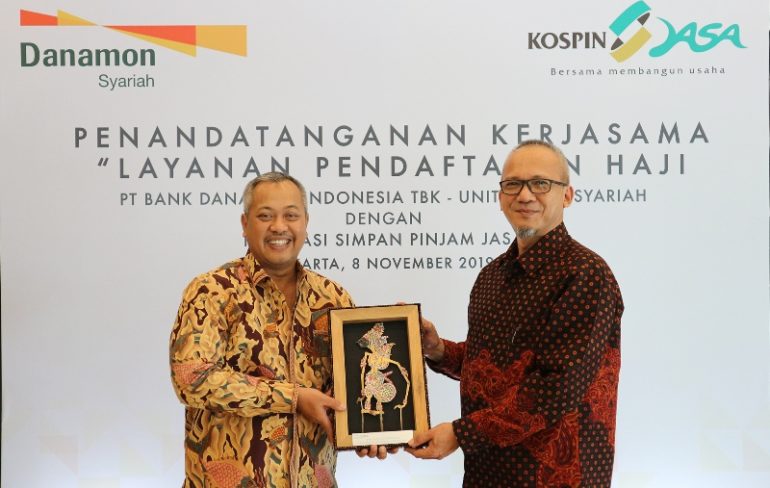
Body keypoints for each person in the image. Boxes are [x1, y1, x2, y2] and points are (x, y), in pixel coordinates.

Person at [406, 140, 624, 487]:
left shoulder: (585, 274)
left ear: (567, 195)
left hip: (555, 479)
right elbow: (495, 368)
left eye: (540, 183)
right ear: (500, 196)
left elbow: (557, 386)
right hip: (487, 474)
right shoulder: (491, 276)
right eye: (513, 184)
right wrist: (438, 350)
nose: (524, 195)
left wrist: (461, 434)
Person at [170, 172, 368, 488]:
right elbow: (191, 379)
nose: (279, 226)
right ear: (245, 223)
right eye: (265, 216)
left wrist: (371, 430)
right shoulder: (212, 291)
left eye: (291, 215)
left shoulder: (333, 298)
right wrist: (293, 397)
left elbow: (353, 388)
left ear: (305, 222)